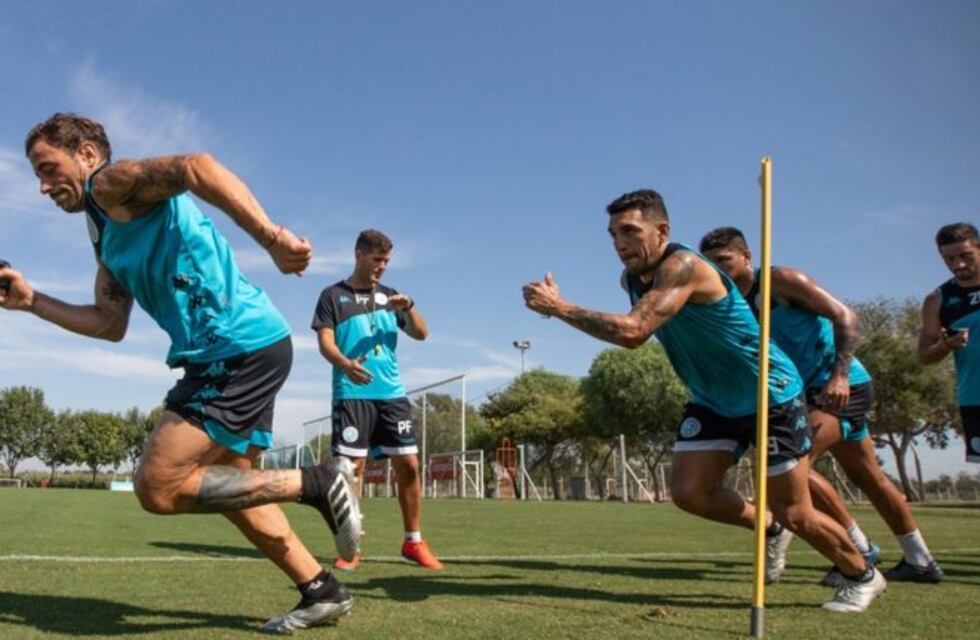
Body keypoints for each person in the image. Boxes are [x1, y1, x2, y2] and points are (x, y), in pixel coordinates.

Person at [0, 112, 362, 634]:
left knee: (158, 486)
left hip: (231, 349)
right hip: (241, 349)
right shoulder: (103, 231)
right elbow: (108, 323)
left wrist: (271, 238)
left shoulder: (110, 182)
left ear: (84, 153)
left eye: (47, 167)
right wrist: (32, 302)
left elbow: (196, 166)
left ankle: (317, 481)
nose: (42, 186)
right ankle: (319, 589)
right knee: (232, 485)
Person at [522, 189, 885, 612]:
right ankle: (766, 528)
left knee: (796, 512)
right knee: (690, 492)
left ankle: (862, 574)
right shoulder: (631, 280)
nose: (619, 243)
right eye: (612, 234)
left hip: (770, 395)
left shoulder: (684, 266)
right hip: (713, 400)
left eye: (629, 231)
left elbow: (634, 332)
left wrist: (560, 308)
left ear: (662, 230)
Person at [700, 226, 942, 584]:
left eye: (725, 262)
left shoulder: (781, 281)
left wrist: (839, 376)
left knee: (790, 465)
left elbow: (846, 316)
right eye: (712, 266)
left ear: (747, 258)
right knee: (866, 476)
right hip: (801, 395)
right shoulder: (730, 305)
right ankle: (919, 560)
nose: (720, 272)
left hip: (841, 387)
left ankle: (857, 550)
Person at [311, 229, 442, 571]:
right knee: (351, 471)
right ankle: (351, 547)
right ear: (358, 254)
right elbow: (325, 342)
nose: (381, 267)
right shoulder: (332, 296)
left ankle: (413, 542)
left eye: (385, 261)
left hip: (392, 394)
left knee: (409, 465)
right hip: (352, 394)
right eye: (376, 259)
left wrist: (409, 307)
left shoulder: (391, 296)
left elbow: (421, 334)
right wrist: (344, 363)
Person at [919, 223, 980, 466]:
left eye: (966, 256)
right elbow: (923, 355)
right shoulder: (938, 300)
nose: (959, 264)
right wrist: (945, 345)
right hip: (975, 397)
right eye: (950, 259)